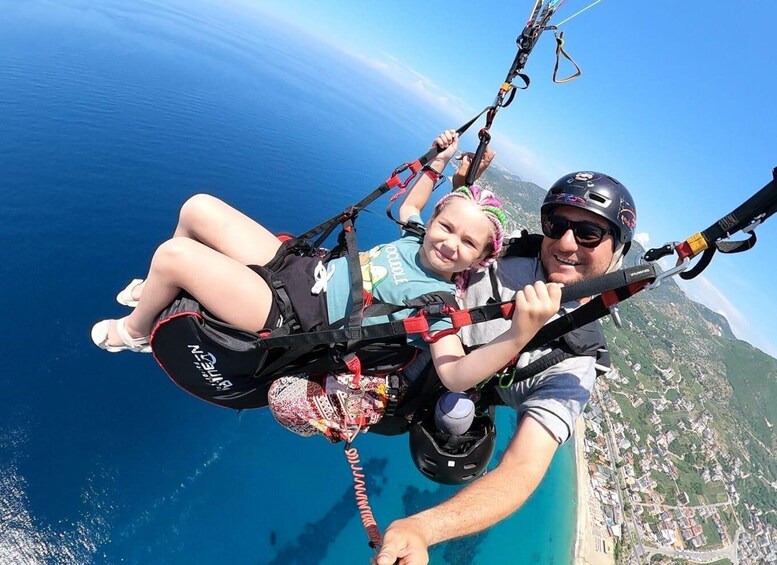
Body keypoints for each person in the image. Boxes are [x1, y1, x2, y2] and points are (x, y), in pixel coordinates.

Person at [91, 130, 563, 406]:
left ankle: (135, 330)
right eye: (447, 226)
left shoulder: (437, 301)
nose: (450, 243)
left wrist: (519, 333)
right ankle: (163, 289)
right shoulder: (419, 237)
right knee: (197, 208)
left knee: (174, 258)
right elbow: (409, 208)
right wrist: (436, 165)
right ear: (436, 220)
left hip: (288, 317)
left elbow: (457, 375)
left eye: (468, 243)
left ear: (481, 259)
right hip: (297, 266)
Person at [376, 169, 637, 565]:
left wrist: (423, 529)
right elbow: (454, 241)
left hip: (425, 378)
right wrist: (460, 184)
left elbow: (522, 470)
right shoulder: (509, 252)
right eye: (557, 224)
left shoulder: (575, 361)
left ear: (618, 250)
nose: (566, 243)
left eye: (588, 233)